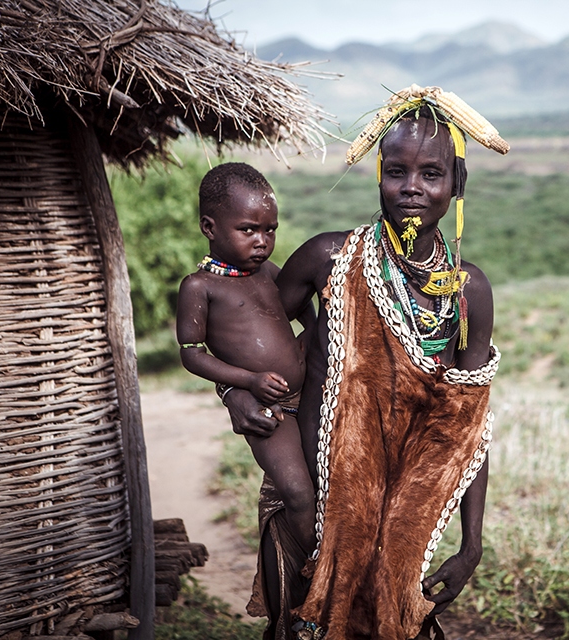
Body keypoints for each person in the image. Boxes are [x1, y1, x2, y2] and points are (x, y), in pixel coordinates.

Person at [224, 86, 509, 640]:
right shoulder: (328, 259)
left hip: (402, 524)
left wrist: (471, 545)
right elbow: (249, 340)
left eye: (431, 174)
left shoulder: (467, 291)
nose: (411, 188)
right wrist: (235, 394)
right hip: (313, 510)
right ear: (378, 175)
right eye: (396, 171)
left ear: (457, 185)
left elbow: (469, 426)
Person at [175, 163, 318, 617]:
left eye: (270, 230)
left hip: (308, 398)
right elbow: (191, 353)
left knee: (328, 484)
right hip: (265, 410)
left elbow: (305, 315)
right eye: (249, 229)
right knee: (296, 491)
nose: (262, 241)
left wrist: (312, 341)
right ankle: (314, 564)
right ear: (209, 227)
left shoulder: (269, 272)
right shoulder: (200, 287)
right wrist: (247, 382)